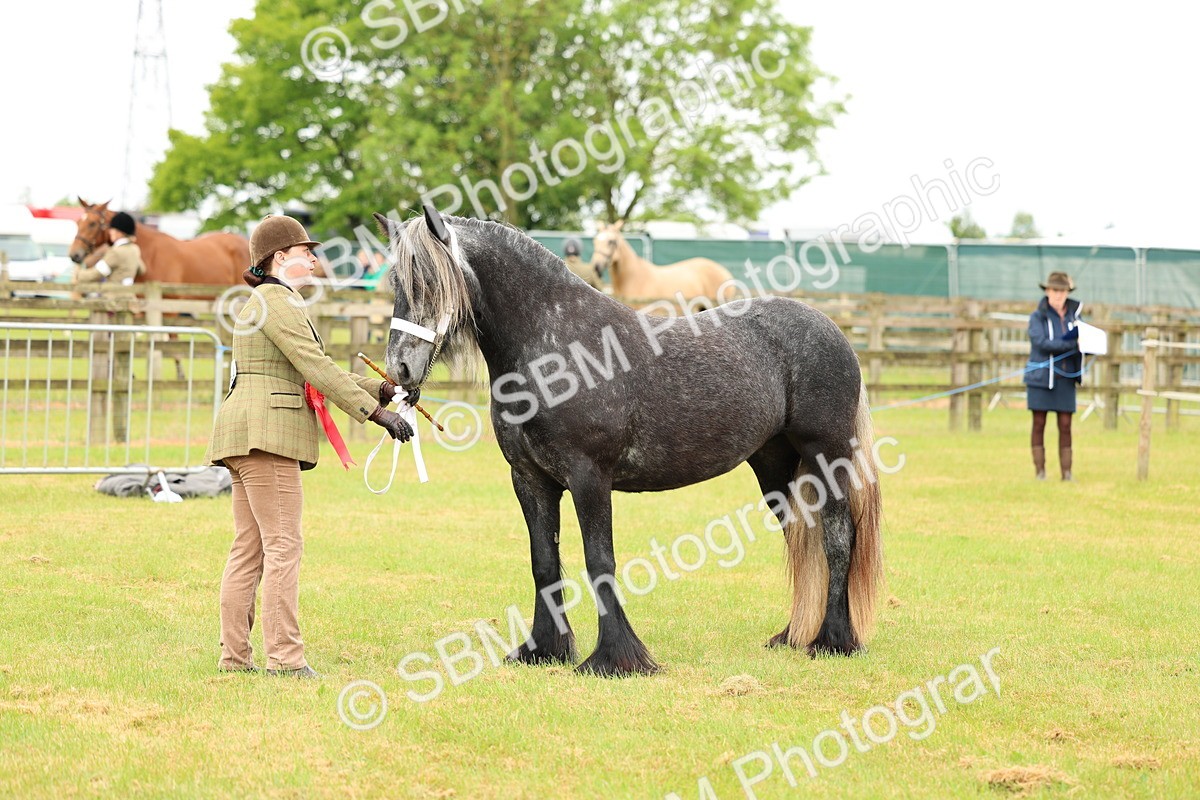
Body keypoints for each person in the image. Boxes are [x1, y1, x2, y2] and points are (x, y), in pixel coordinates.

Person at [204, 215, 416, 678]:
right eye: (306, 253)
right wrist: (376, 413)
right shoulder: (277, 301)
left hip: (244, 432)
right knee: (283, 546)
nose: (315, 261)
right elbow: (315, 366)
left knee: (249, 549)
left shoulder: (269, 301)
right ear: (280, 258)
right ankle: (285, 659)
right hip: (266, 433)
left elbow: (317, 367)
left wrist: (381, 389)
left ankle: (235, 658)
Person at [1024, 271, 1082, 481]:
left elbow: (1082, 342)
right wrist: (1071, 344)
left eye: (1062, 291)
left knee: (1065, 425)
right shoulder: (1037, 317)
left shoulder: (1075, 317)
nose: (1058, 295)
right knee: (1039, 423)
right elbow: (1042, 343)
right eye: (1055, 290)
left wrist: (1085, 346)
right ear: (1047, 291)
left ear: (1067, 293)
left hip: (1065, 379)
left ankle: (1067, 473)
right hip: (1040, 378)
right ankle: (1040, 472)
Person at [73, 211, 145, 286]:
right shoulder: (135, 249)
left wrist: (78, 273)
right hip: (129, 292)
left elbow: (96, 274)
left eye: (113, 229)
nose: (110, 232)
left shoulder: (115, 252)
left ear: (120, 232)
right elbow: (141, 270)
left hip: (113, 293)